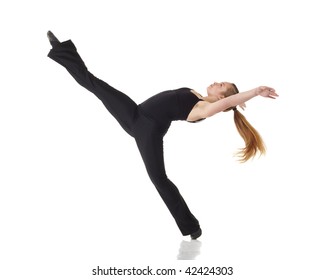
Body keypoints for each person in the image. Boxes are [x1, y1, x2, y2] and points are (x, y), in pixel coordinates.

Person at [46, 31, 278, 239]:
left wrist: (254, 92)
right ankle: (61, 50)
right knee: (94, 83)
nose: (217, 82)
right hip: (135, 113)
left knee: (159, 179)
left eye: (221, 85)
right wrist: (239, 99)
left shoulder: (202, 109)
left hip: (147, 130)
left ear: (220, 98)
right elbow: (228, 101)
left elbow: (227, 103)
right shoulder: (197, 95)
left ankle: (191, 227)